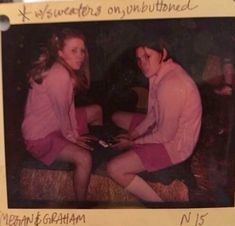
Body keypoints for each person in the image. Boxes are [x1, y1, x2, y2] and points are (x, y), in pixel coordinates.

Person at [107, 37, 202, 202]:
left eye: (147, 56)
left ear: (163, 53)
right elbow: (152, 114)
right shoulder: (159, 72)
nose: (142, 63)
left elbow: (165, 136)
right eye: (139, 59)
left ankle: (158, 206)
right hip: (163, 126)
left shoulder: (171, 84)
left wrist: (133, 143)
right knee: (117, 117)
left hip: (174, 146)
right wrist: (133, 134)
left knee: (114, 168)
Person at [21, 28, 103, 201]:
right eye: (74, 50)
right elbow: (62, 113)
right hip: (40, 136)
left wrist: (74, 132)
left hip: (56, 125)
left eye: (82, 50)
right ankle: (81, 206)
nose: (80, 55)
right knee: (84, 158)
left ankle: (102, 148)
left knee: (96, 111)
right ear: (60, 52)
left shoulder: (66, 71)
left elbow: (69, 106)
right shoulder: (58, 74)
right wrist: (72, 137)